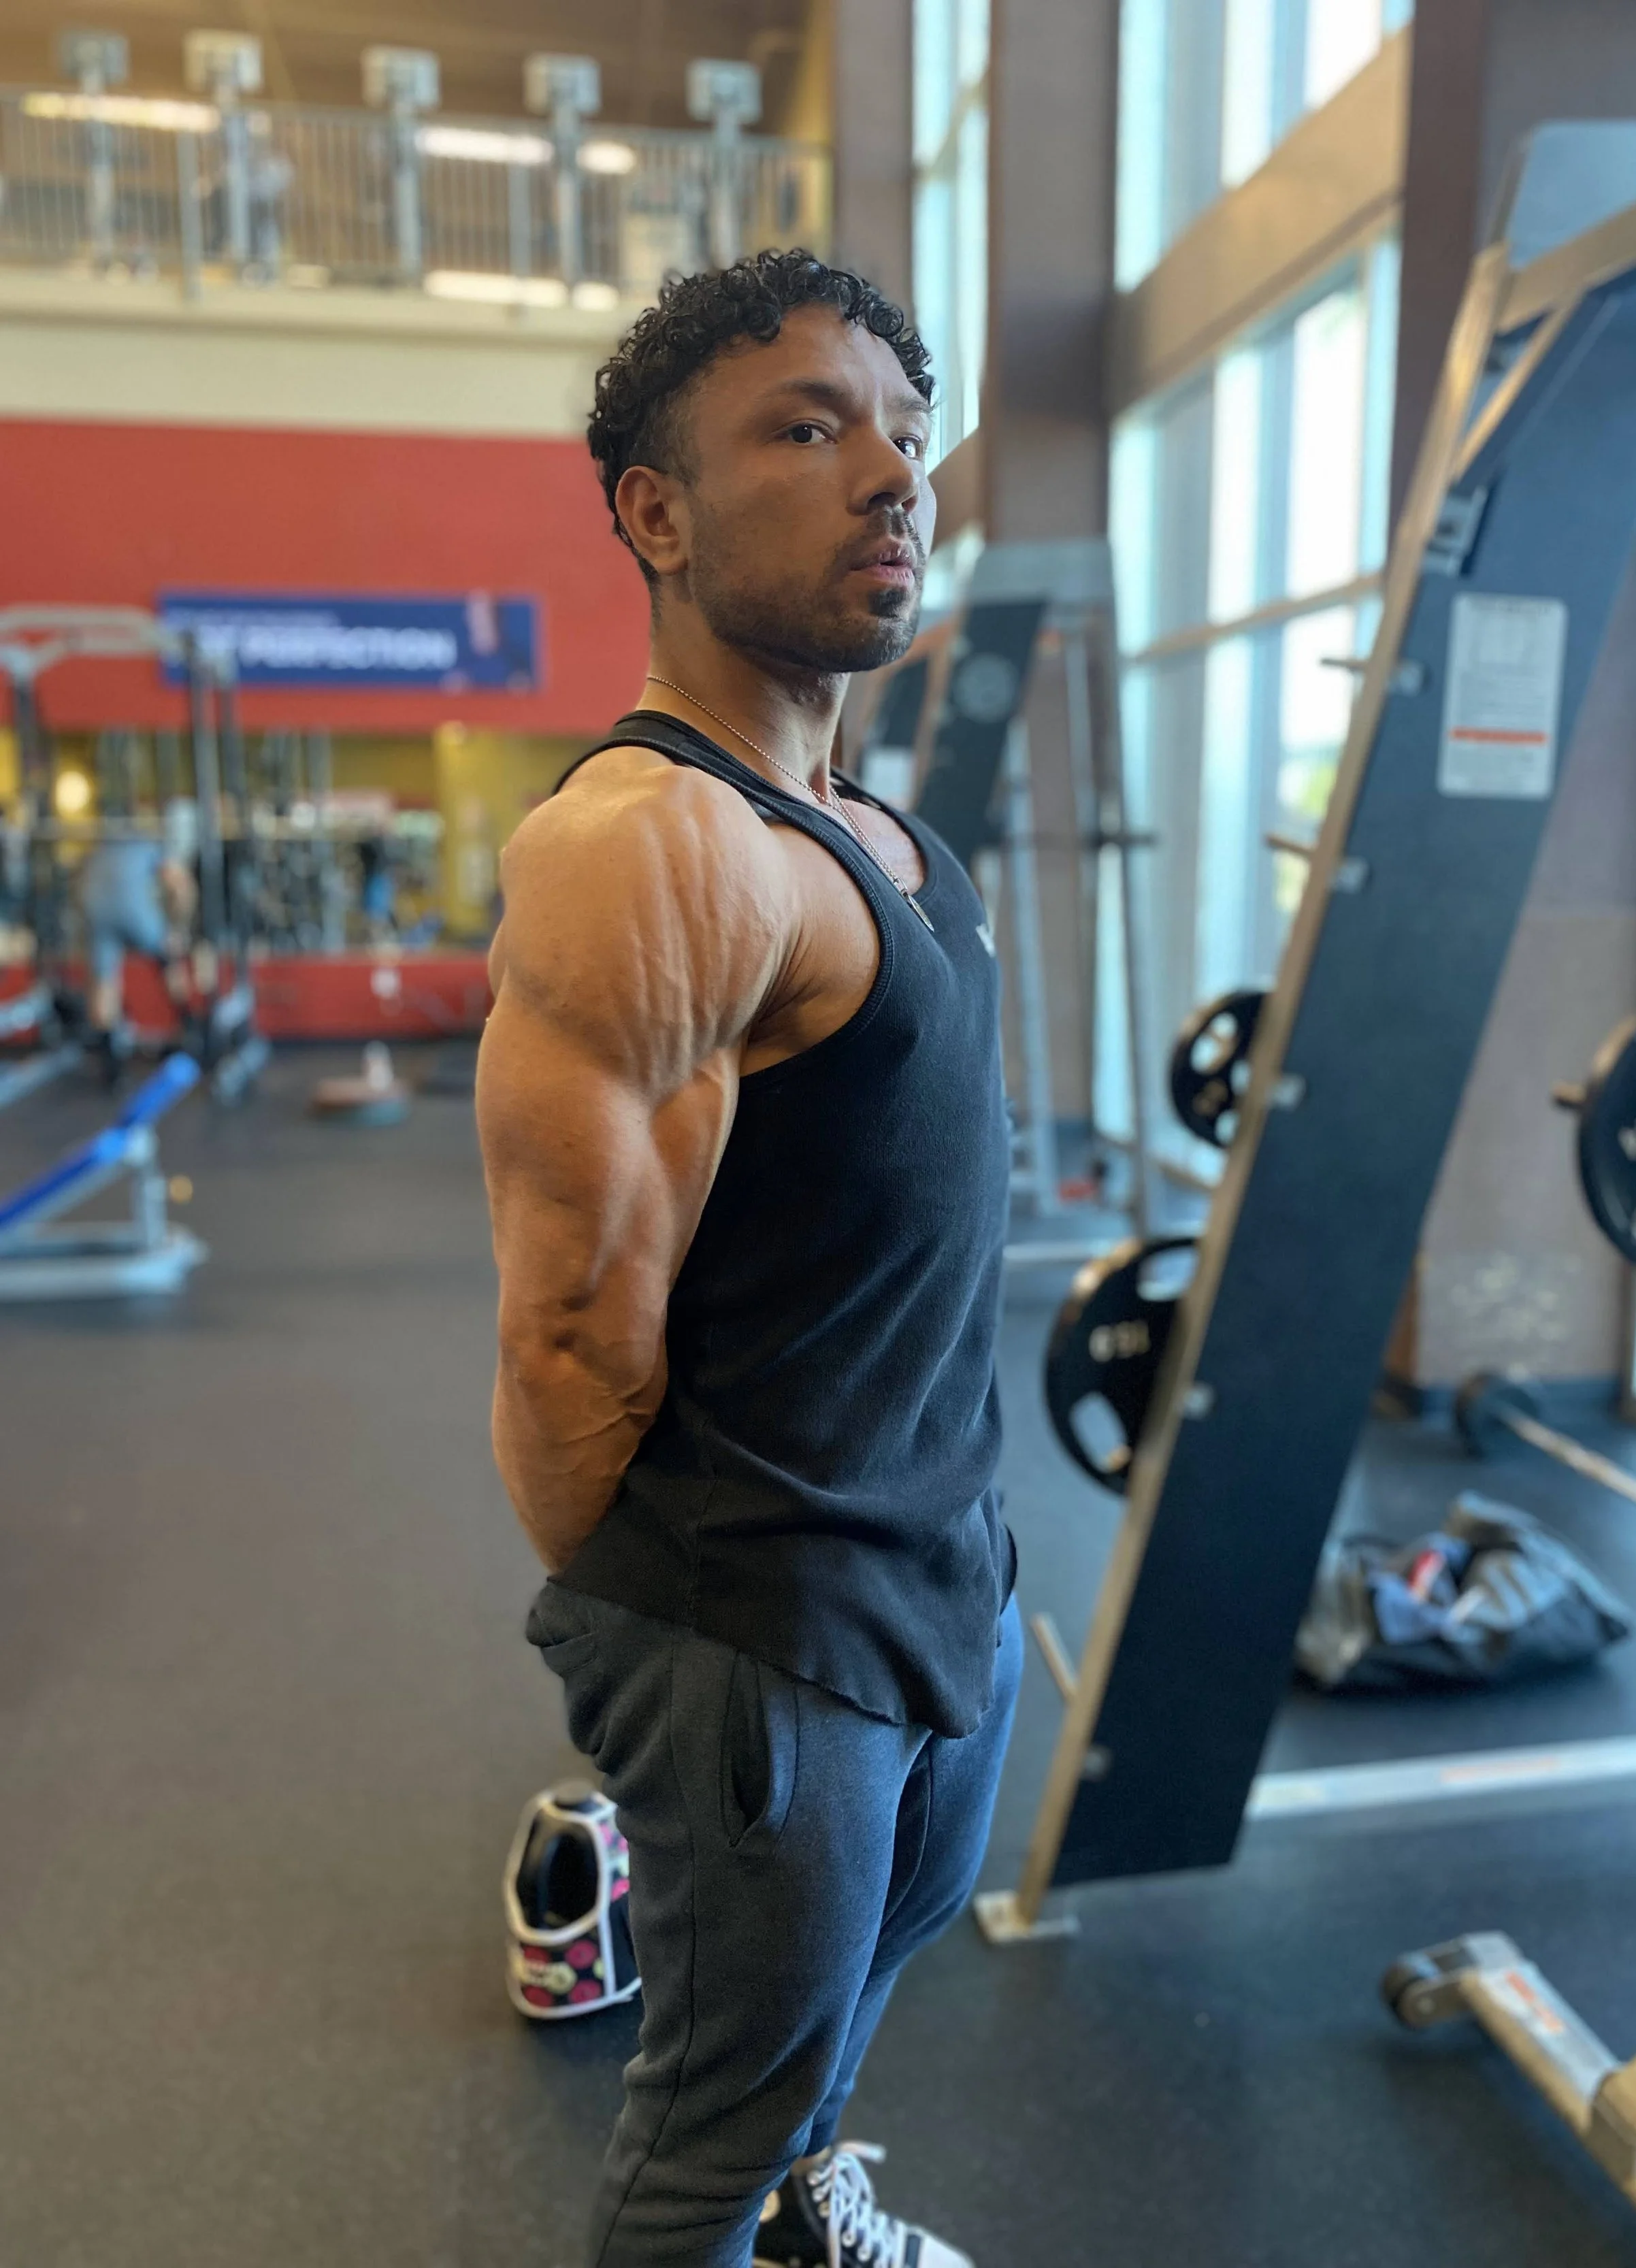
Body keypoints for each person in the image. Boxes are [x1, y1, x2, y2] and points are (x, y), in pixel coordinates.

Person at [476, 249, 1019, 2268]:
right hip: (766, 1625)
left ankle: (811, 2211)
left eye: (903, 430)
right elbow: (565, 1340)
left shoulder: (873, 831)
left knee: (840, 2014)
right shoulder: (658, 843)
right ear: (657, 511)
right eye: (807, 427)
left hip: (937, 1562)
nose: (892, 474)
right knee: (710, 2128)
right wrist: (675, 1634)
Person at [77, 799, 197, 1080]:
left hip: (96, 912)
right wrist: (178, 926)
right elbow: (179, 886)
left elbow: (81, 886)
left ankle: (112, 1063)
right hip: (132, 913)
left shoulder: (102, 848)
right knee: (168, 957)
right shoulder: (149, 845)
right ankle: (191, 1029)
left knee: (104, 980)